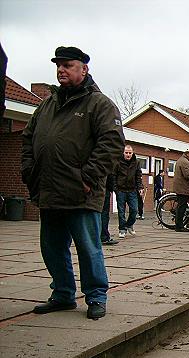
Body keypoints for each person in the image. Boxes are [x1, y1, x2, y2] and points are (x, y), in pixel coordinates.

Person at [21, 46, 124, 320]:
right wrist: (29, 171)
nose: (61, 70)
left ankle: (96, 297)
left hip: (81, 192)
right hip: (49, 190)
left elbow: (111, 144)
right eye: (58, 65)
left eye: (67, 65)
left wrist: (88, 177)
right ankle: (63, 294)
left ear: (84, 69)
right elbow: (28, 139)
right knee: (52, 248)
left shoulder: (99, 104)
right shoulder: (47, 104)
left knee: (89, 248)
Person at [115, 145, 143, 238]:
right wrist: (115, 188)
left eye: (130, 153)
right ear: (123, 153)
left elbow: (138, 176)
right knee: (121, 211)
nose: (128, 154)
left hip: (132, 190)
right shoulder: (118, 162)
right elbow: (114, 175)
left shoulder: (136, 162)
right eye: (126, 152)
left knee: (134, 210)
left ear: (132, 153)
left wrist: (140, 187)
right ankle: (122, 229)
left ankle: (129, 224)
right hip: (121, 190)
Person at [173, 150, 189, 232]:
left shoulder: (181, 160)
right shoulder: (185, 162)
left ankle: (179, 225)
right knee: (181, 207)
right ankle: (179, 226)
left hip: (181, 187)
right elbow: (187, 175)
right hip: (183, 188)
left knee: (181, 206)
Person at [100, 174, 118, 245]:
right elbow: (110, 177)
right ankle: (104, 237)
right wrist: (112, 188)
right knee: (104, 215)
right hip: (103, 190)